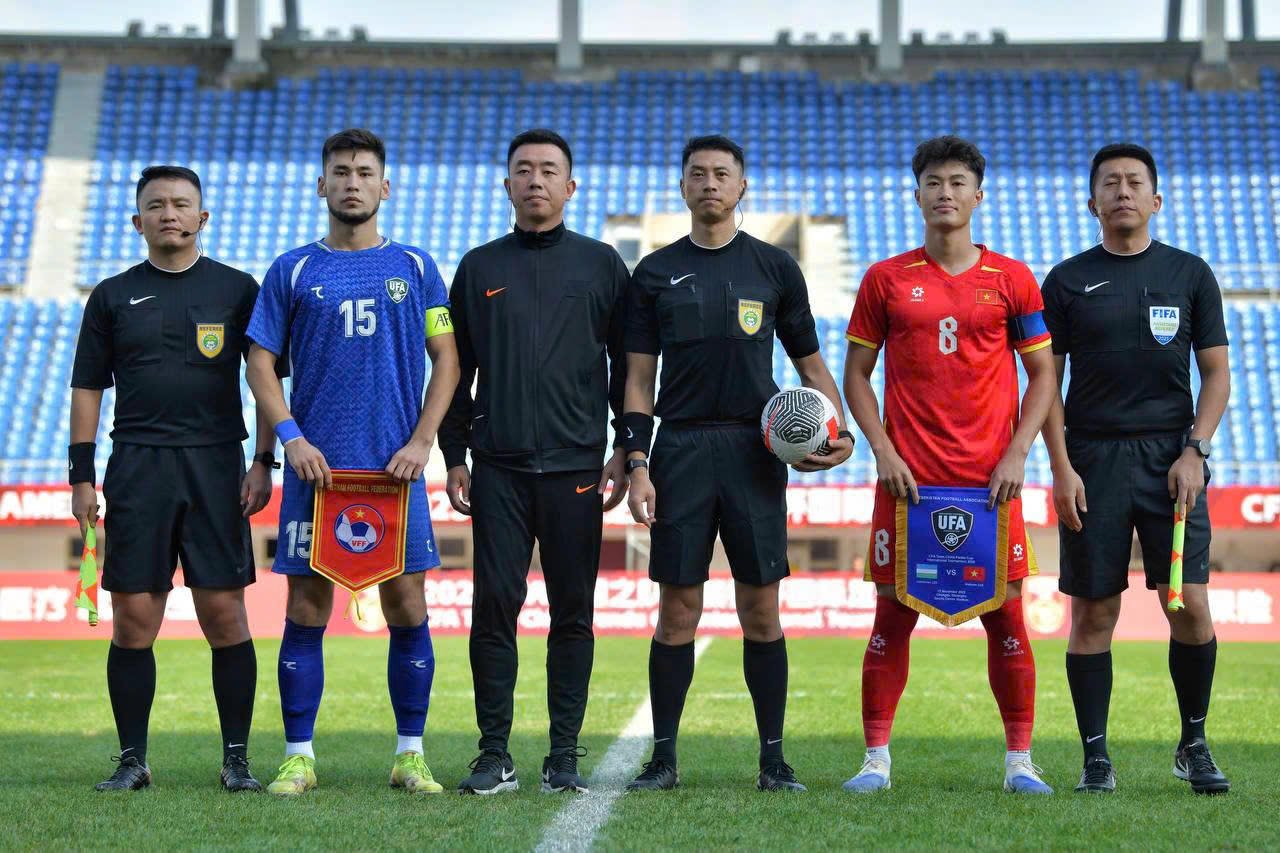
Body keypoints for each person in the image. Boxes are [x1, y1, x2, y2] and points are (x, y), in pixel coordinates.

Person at [621, 135, 853, 793]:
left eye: (722, 173)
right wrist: (638, 460)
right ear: (684, 186)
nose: (710, 183)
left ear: (742, 186)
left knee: (761, 609)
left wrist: (839, 431)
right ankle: (662, 758)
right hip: (682, 449)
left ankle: (773, 759)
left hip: (758, 450)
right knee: (678, 610)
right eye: (698, 173)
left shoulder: (774, 268)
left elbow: (809, 364)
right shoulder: (655, 272)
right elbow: (637, 379)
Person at [245, 128, 460, 796]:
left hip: (394, 473)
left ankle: (410, 754)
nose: (352, 182)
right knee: (306, 604)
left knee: (407, 600)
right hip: (318, 473)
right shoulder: (291, 270)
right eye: (340, 171)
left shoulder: (418, 268)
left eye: (365, 172)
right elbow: (259, 361)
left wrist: (424, 440)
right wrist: (290, 437)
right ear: (322, 185)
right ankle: (299, 755)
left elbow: (447, 360)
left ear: (384, 186)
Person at [843, 136, 1057, 795]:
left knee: (1007, 613)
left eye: (958, 182)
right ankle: (875, 758)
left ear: (978, 194)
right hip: (908, 483)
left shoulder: (1014, 279)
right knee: (892, 612)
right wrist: (883, 449)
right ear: (917, 194)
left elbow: (1043, 373)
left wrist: (1020, 450)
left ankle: (1019, 759)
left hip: (990, 483)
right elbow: (856, 374)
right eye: (933, 181)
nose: (945, 192)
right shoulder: (884, 278)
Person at [70, 165, 274, 792]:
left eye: (182, 204)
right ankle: (133, 759)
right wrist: (81, 474)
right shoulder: (110, 295)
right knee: (134, 616)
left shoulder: (239, 290)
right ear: (137, 222)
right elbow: (86, 388)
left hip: (215, 464)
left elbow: (264, 376)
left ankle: (236, 759)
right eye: (155, 205)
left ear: (202, 218)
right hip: (137, 464)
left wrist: (263, 459)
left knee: (225, 615)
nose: (169, 214)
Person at [441, 129, 630, 795]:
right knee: (494, 605)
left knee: (572, 610)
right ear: (507, 185)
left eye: (549, 170)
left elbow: (627, 369)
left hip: (578, 467)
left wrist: (625, 449)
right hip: (499, 468)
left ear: (571, 186)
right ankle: (494, 753)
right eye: (523, 169)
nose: (536, 180)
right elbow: (454, 370)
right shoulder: (480, 267)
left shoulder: (603, 265)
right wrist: (455, 455)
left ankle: (564, 753)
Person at [1041, 142, 1231, 795]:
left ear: (1157, 198)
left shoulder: (1190, 274)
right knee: (1094, 612)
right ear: (1090, 201)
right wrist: (1061, 467)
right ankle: (1097, 757)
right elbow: (1045, 382)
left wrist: (1194, 450)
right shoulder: (1066, 281)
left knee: (1190, 605)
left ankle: (1194, 743)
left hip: (1169, 460)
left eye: (1134, 182)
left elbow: (1215, 373)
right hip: (1091, 458)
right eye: (1109, 183)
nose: (1122, 191)